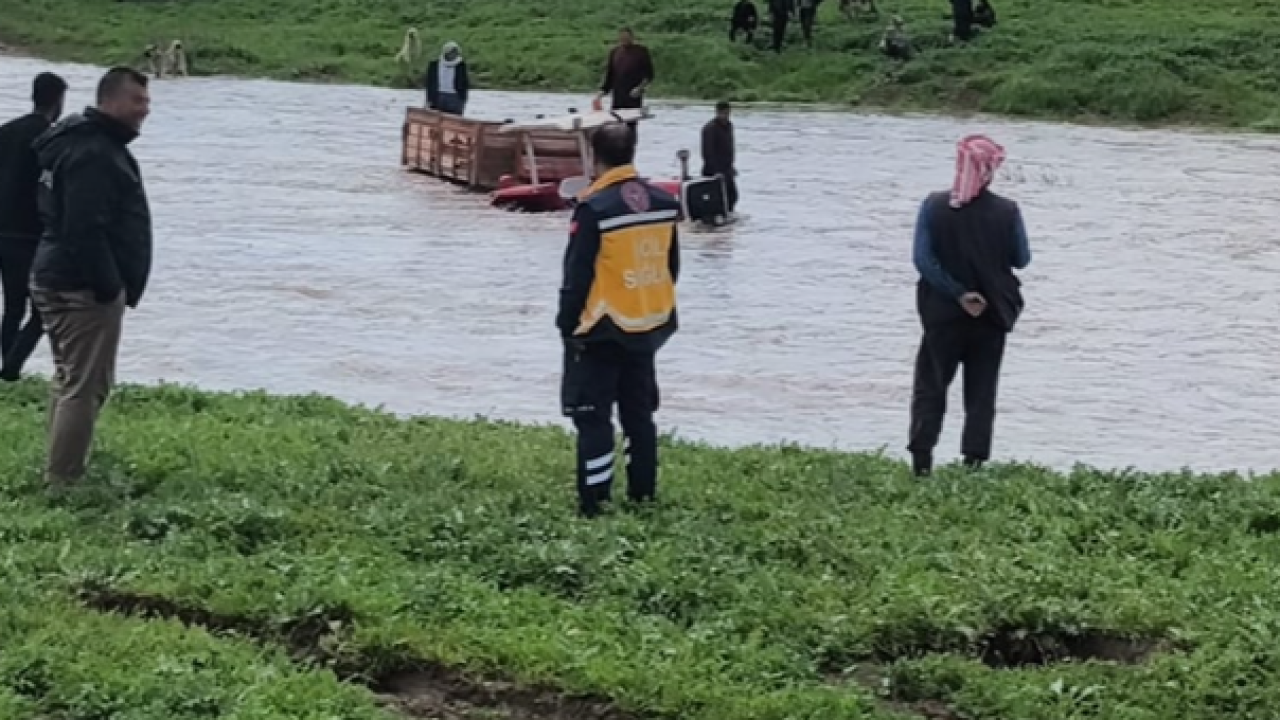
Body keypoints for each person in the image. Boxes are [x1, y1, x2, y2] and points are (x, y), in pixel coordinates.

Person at [30, 67, 154, 487]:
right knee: (85, 385)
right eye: (138, 101)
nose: (145, 110)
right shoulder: (95, 153)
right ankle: (64, 479)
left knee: (70, 378)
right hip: (79, 286)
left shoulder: (76, 140)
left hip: (55, 273)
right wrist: (109, 286)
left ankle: (57, 467)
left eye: (147, 101)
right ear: (111, 100)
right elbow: (82, 228)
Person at [557, 123, 681, 518]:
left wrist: (566, 324)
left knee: (593, 418)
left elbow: (577, 276)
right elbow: (671, 266)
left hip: (600, 329)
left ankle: (595, 503)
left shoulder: (594, 208)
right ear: (633, 150)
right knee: (638, 415)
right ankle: (643, 495)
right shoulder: (664, 203)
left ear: (594, 158)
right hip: (649, 324)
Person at [907, 134, 1030, 477]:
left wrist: (958, 294)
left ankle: (922, 460)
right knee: (981, 390)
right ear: (989, 170)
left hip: (941, 315)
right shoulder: (1008, 211)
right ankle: (973, 464)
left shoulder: (933, 205)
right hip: (991, 315)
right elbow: (1021, 259)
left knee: (931, 384)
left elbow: (923, 261)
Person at [0, 72, 67, 381]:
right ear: (58, 101)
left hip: (2, 231)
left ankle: (7, 368)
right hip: (31, 235)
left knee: (12, 306)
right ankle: (11, 369)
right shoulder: (50, 138)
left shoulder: (6, 132)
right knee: (41, 312)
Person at [597, 28, 654, 112]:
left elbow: (649, 75)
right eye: (622, 38)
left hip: (633, 95)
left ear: (632, 37)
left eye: (627, 37)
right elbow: (610, 75)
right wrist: (602, 91)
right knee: (616, 122)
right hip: (618, 96)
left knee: (630, 122)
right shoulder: (615, 52)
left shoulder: (641, 51)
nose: (624, 40)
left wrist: (640, 88)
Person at [700, 101, 738, 214]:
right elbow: (707, 152)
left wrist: (732, 166)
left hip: (727, 168)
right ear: (717, 112)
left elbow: (730, 147)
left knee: (733, 196)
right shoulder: (709, 128)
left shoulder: (729, 126)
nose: (725, 116)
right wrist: (715, 171)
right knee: (717, 199)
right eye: (723, 113)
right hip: (713, 170)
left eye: (727, 113)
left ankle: (728, 216)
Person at [425, 41, 470, 115]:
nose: (454, 55)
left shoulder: (461, 65)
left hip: (455, 97)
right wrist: (429, 99)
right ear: (446, 53)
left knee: (454, 121)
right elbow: (429, 83)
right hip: (438, 96)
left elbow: (465, 83)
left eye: (456, 53)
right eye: (452, 52)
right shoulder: (434, 65)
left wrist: (463, 99)